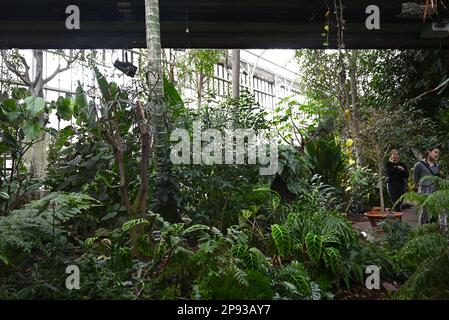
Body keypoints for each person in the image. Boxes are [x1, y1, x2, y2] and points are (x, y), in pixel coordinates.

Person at [413, 146, 447, 229]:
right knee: (424, 212)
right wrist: (423, 185)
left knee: (441, 210)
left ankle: (444, 230)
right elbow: (415, 179)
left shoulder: (437, 165)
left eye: (438, 153)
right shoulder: (419, 165)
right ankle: (421, 230)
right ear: (428, 151)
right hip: (424, 190)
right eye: (435, 152)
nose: (437, 154)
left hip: (436, 190)